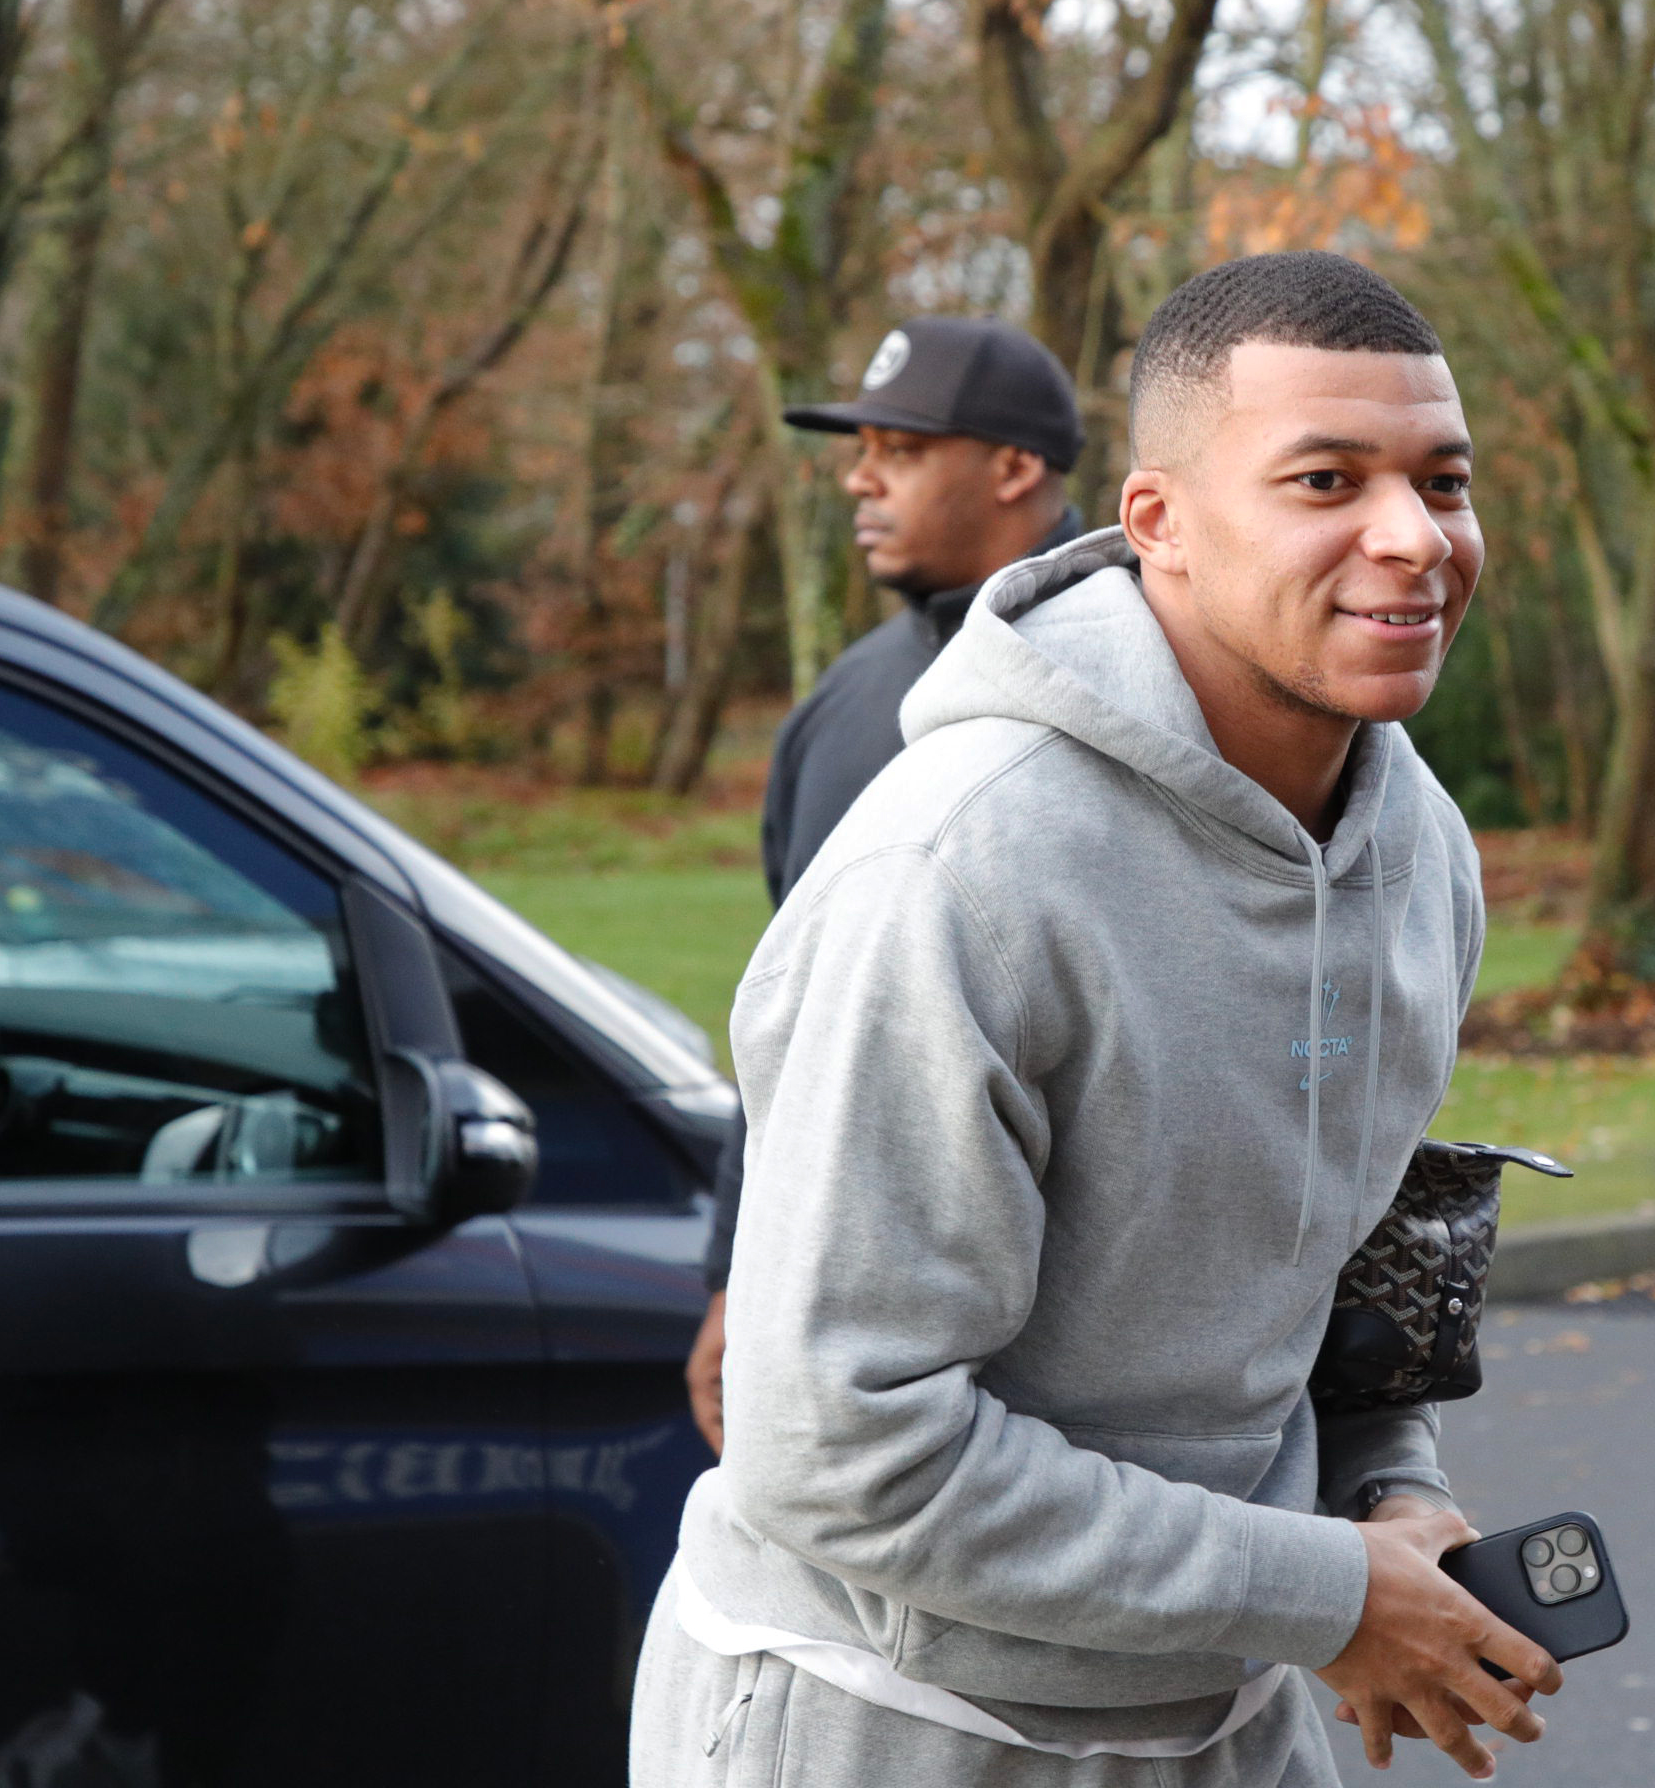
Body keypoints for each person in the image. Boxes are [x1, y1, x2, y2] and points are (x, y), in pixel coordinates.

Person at [631, 251, 1559, 1788]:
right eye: (1325, 480)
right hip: (891, 1718)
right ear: (1160, 526)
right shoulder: (958, 872)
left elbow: (1336, 1260)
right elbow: (838, 1449)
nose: (1412, 538)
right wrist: (1326, 1597)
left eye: (1443, 482)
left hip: (1225, 1707)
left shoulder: (1420, 855)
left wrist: (1389, 1498)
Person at [686, 316, 1085, 1453]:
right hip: (863, 1352)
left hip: (1090, 1343)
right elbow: (786, 1017)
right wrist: (733, 1273)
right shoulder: (846, 708)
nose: (859, 479)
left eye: (900, 451)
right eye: (860, 448)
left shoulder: (1152, 675)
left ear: (1015, 468)